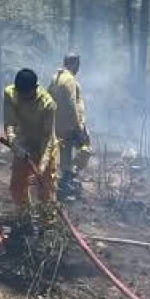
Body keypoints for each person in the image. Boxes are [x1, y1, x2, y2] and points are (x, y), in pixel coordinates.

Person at [3, 69, 59, 215]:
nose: (22, 99)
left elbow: (48, 139)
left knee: (46, 190)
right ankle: (25, 218)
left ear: (35, 89)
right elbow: (9, 124)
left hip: (44, 147)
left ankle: (47, 226)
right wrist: (15, 146)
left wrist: (41, 168)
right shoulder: (10, 94)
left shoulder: (48, 104)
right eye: (20, 94)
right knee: (17, 187)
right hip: (23, 145)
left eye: (26, 96)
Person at [48, 52, 91, 198]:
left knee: (65, 153)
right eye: (77, 64)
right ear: (72, 64)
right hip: (72, 124)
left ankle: (65, 182)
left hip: (58, 125)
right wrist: (79, 127)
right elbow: (72, 104)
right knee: (86, 149)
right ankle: (70, 175)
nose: (78, 68)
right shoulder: (70, 80)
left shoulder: (55, 77)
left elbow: (48, 98)